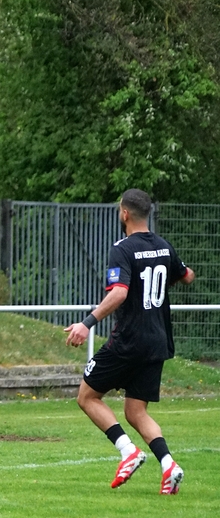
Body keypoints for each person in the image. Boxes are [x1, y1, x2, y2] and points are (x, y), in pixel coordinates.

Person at [64, 189, 195, 494]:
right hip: (157, 341)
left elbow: (120, 292)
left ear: (124, 213)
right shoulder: (164, 246)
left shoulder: (122, 249)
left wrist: (86, 323)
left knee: (87, 397)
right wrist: (175, 273)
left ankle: (128, 451)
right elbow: (187, 275)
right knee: (136, 412)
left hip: (129, 339)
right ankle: (169, 465)